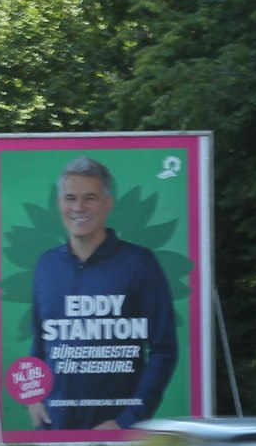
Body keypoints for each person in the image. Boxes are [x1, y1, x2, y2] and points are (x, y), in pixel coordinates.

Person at [26, 156, 177, 431]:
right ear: (59, 203)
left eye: (90, 198)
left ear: (108, 204)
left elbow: (164, 349)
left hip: (116, 430)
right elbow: (41, 339)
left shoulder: (139, 264)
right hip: (52, 429)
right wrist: (34, 397)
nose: (78, 207)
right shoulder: (46, 265)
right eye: (70, 198)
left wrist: (129, 419)